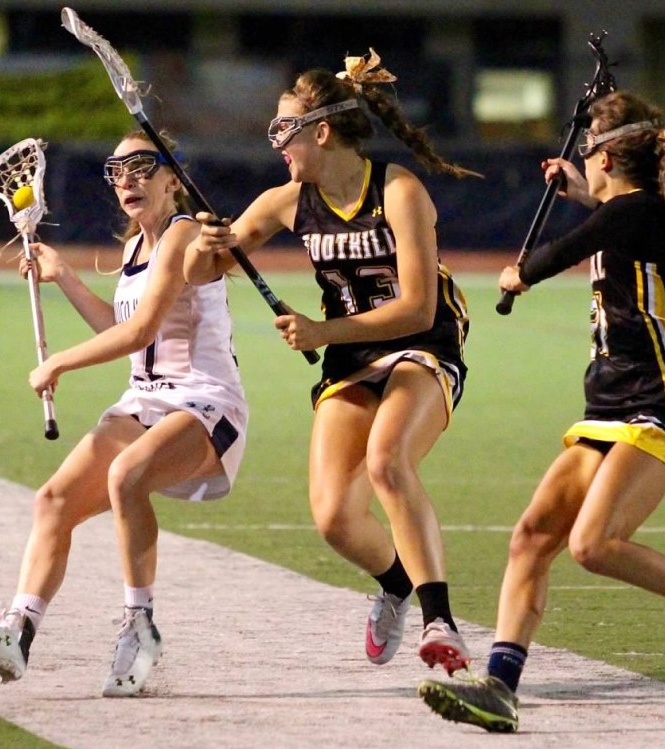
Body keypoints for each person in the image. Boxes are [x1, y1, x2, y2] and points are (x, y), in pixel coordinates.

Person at [419, 90, 665, 733]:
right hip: (613, 399)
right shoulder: (636, 212)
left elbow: (568, 249)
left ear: (608, 157)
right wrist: (581, 192)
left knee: (593, 544)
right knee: (533, 536)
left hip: (664, 399)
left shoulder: (635, 212)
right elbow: (610, 219)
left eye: (588, 149)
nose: (584, 160)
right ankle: (500, 689)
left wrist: (520, 274)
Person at [184, 49, 477, 674]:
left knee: (388, 461)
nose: (276, 145)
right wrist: (204, 244)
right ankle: (396, 584)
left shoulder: (398, 191)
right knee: (335, 518)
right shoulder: (289, 199)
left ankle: (441, 622)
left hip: (423, 343)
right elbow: (201, 272)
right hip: (350, 353)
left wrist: (320, 330)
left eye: (283, 129)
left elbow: (418, 308)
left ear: (320, 132)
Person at [0, 130, 248, 698]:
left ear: (172, 178)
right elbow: (119, 328)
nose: (126, 179)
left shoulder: (183, 234)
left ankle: (139, 627)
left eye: (140, 166)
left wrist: (60, 361)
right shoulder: (134, 248)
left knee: (126, 476)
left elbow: (142, 331)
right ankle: (17, 633)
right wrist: (64, 275)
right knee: (54, 501)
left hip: (205, 401)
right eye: (116, 170)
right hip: (145, 399)